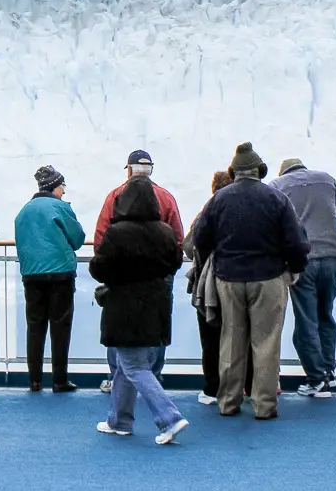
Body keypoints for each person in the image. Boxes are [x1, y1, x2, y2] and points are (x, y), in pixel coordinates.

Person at [192, 142, 309, 420]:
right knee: (266, 343)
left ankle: (228, 402)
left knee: (231, 340)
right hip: (268, 278)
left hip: (228, 279)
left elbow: (200, 237)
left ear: (234, 172)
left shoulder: (219, 200)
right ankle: (264, 405)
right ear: (259, 171)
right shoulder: (276, 198)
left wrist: (219, 259)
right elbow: (296, 242)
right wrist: (294, 268)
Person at [90, 176, 188, 445]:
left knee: (133, 366)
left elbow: (99, 268)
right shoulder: (165, 233)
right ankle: (119, 421)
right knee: (127, 365)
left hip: (123, 307)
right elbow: (174, 262)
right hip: (155, 305)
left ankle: (169, 418)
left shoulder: (117, 233)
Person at [95, 150, 182, 392]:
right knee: (157, 322)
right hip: (158, 277)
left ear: (129, 169)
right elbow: (177, 239)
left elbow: (101, 237)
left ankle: (117, 377)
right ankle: (152, 376)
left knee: (118, 324)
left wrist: (107, 269)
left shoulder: (115, 196)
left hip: (121, 279)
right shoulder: (165, 197)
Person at [270, 158, 336, 397]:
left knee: (306, 320)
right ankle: (329, 372)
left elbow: (276, 224)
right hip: (334, 254)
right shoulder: (327, 179)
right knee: (326, 314)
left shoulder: (277, 185)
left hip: (304, 258)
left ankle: (316, 378)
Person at [184, 170, 254, 405]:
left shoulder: (207, 211)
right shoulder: (242, 211)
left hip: (209, 286)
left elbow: (190, 244)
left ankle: (213, 388)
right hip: (243, 280)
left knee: (211, 337)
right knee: (245, 334)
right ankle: (250, 385)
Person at [13, 165, 85, 392]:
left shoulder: (24, 211)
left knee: (35, 326)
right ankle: (59, 380)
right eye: (62, 186)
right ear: (54, 186)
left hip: (32, 274)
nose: (64, 191)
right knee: (60, 326)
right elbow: (78, 239)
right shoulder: (59, 207)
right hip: (60, 273)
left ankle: (34, 380)